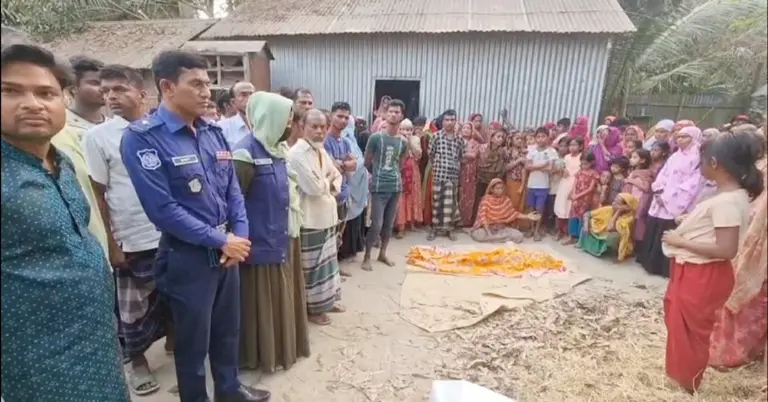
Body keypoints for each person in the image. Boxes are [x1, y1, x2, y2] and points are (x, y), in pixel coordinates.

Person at [120, 50, 267, 402]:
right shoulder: (143, 138)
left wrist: (240, 237)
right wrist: (222, 240)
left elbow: (232, 188)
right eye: (196, 83)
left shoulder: (212, 132)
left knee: (227, 331)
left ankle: (229, 391)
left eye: (208, 83)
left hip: (228, 247)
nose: (207, 91)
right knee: (192, 342)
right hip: (187, 255)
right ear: (167, 87)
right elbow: (163, 210)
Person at [1, 43, 130, 402]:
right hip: (37, 365)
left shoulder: (61, 162)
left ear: (63, 100)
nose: (32, 104)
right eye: (10, 91)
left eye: (45, 93)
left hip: (96, 346)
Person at [81, 64, 170, 396]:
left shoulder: (161, 129)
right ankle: (137, 361)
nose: (111, 97)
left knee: (172, 297)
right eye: (105, 92)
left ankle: (177, 347)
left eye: (119, 89)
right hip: (132, 236)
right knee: (133, 307)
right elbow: (99, 193)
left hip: (169, 232)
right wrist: (114, 244)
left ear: (142, 93)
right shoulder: (98, 137)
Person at [661, 132, 763, 394]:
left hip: (703, 274)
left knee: (691, 333)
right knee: (679, 323)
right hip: (695, 271)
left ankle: (687, 384)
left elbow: (726, 249)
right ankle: (681, 376)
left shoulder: (727, 201)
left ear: (715, 164)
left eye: (702, 161)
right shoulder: (728, 196)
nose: (701, 166)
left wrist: (680, 241)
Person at [231, 91, 310, 373]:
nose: (291, 124)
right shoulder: (245, 153)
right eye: (287, 118)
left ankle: (286, 348)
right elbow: (234, 202)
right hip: (260, 242)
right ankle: (260, 355)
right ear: (270, 118)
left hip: (285, 236)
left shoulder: (278, 150)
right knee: (263, 301)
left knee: (285, 295)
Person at [709, 126, 767, 369]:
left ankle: (739, 354)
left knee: (752, 300)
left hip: (759, 247)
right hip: (745, 239)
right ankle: (722, 352)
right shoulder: (757, 168)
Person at [288, 109, 344, 325]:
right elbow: (312, 188)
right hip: (310, 220)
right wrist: (327, 181)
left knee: (328, 264)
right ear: (303, 126)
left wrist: (328, 181)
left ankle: (328, 301)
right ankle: (314, 310)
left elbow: (337, 176)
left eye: (323, 127)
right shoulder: (296, 154)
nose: (320, 131)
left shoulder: (321, 151)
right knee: (312, 269)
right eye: (315, 126)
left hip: (327, 216)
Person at [638, 126, 703, 278]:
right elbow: (663, 175)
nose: (680, 139)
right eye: (679, 136)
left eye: (685, 137)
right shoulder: (674, 157)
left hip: (675, 200)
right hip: (661, 196)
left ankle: (662, 267)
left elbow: (692, 184)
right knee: (654, 229)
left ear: (693, 138)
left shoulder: (697, 159)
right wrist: (659, 190)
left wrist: (667, 198)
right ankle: (648, 262)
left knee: (666, 230)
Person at [362, 99, 408, 270]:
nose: (394, 114)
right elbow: (367, 161)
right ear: (385, 114)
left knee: (389, 224)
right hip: (379, 187)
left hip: (395, 187)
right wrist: (377, 176)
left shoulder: (403, 141)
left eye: (397, 112)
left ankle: (382, 253)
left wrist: (392, 176)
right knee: (376, 224)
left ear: (402, 116)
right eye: (391, 111)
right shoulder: (375, 138)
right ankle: (367, 257)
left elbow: (401, 164)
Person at [324, 101, 356, 274]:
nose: (343, 120)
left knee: (338, 236)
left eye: (346, 117)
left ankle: (334, 268)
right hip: (331, 197)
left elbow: (354, 164)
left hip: (344, 194)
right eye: (339, 116)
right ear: (331, 115)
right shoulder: (324, 140)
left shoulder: (344, 142)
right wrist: (345, 163)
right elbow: (332, 167)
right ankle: (328, 271)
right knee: (328, 237)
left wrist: (342, 163)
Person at [428, 109, 464, 241]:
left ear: (455, 121)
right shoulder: (436, 136)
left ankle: (449, 229)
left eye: (452, 120)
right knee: (437, 202)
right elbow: (430, 154)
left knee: (450, 203)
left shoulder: (459, 139)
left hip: (453, 176)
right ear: (442, 121)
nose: (449, 123)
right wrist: (438, 166)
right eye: (447, 120)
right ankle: (435, 229)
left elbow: (461, 156)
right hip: (439, 174)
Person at [339, 110, 369, 262]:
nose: (345, 122)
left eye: (347, 119)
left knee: (354, 218)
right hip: (348, 186)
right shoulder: (342, 141)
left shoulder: (352, 140)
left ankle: (351, 248)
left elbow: (358, 160)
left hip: (357, 185)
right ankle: (343, 252)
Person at [469, 178, 538, 243]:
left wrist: (527, 216)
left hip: (501, 228)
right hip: (487, 228)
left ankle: (494, 239)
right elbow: (482, 218)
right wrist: (488, 232)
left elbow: (514, 214)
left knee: (519, 236)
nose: (500, 190)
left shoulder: (506, 200)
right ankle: (498, 238)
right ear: (492, 189)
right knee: (479, 235)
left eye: (501, 188)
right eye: (497, 188)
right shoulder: (486, 199)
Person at [578, 193, 639, 261]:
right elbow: (587, 214)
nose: (613, 203)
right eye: (614, 201)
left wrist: (618, 212)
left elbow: (610, 228)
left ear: (626, 207)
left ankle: (612, 251)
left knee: (612, 238)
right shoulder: (609, 209)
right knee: (585, 224)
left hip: (610, 234)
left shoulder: (628, 218)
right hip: (601, 231)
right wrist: (586, 225)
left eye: (617, 203)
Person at [523, 127, 559, 241]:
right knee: (530, 207)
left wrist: (535, 166)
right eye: (538, 137)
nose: (540, 139)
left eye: (543, 136)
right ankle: (531, 228)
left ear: (548, 138)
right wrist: (543, 164)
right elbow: (527, 166)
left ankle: (537, 230)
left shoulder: (551, 151)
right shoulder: (532, 150)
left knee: (540, 208)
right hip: (531, 184)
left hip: (543, 185)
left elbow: (551, 168)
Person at [66, 55, 107, 140]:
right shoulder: (61, 127)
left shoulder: (117, 127)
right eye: (95, 83)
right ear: (73, 88)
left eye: (105, 83)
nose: (104, 88)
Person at [395, 119, 423, 237]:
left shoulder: (416, 139)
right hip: (400, 170)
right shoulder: (396, 139)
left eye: (409, 129)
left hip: (413, 170)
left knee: (413, 196)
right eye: (403, 129)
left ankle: (411, 223)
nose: (406, 131)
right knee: (401, 198)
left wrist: (409, 141)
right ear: (399, 129)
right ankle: (401, 227)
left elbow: (418, 155)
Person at [623, 148, 654, 254]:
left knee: (639, 225)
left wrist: (631, 181)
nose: (631, 159)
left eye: (634, 157)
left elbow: (646, 188)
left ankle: (639, 249)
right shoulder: (633, 171)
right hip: (631, 200)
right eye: (631, 157)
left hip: (639, 201)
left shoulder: (645, 173)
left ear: (643, 160)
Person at [564, 152, 600, 245]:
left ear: (591, 163)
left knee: (582, 218)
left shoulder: (594, 174)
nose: (584, 166)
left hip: (585, 199)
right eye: (582, 163)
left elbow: (590, 188)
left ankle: (581, 239)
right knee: (572, 216)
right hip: (576, 198)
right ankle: (571, 236)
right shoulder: (579, 172)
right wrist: (573, 193)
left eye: (586, 164)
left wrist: (578, 195)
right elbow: (575, 184)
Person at [475, 129, 508, 223]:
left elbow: (503, 167)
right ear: (492, 138)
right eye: (498, 137)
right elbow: (479, 163)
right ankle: (479, 222)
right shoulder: (483, 149)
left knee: (491, 203)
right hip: (481, 179)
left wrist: (497, 181)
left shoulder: (502, 152)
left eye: (502, 137)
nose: (500, 139)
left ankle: (489, 222)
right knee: (480, 201)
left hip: (494, 181)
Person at [554, 137, 584, 240]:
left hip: (575, 184)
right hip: (564, 183)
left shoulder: (581, 157)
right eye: (570, 145)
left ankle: (568, 233)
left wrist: (573, 190)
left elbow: (580, 174)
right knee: (560, 206)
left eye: (575, 145)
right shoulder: (566, 157)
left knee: (570, 208)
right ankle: (559, 231)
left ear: (580, 147)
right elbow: (562, 169)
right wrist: (563, 171)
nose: (572, 147)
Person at [218, 81, 255, 148]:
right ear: (233, 102)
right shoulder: (222, 128)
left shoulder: (267, 126)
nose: (250, 98)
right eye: (243, 95)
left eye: (252, 94)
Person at [458, 121, 480, 227]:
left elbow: (473, 155)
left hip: (470, 173)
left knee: (468, 196)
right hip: (457, 172)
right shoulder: (457, 140)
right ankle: (455, 221)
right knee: (457, 195)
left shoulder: (475, 143)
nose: (466, 130)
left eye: (468, 128)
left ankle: (466, 222)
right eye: (464, 128)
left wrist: (461, 155)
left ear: (472, 131)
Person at [505, 131, 527, 210]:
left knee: (517, 204)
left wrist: (522, 185)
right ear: (511, 140)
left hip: (520, 181)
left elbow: (524, 169)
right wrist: (518, 161)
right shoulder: (507, 152)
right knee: (507, 204)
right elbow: (505, 168)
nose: (520, 140)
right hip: (508, 180)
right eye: (517, 138)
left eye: (521, 139)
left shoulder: (524, 152)